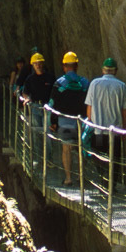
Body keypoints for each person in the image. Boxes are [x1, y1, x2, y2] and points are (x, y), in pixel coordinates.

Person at [85, 56, 126, 191]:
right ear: (115, 70)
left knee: (98, 157)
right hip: (114, 132)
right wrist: (124, 129)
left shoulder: (94, 84)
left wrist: (91, 123)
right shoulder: (122, 86)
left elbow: (89, 108)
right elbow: (125, 111)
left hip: (98, 130)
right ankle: (111, 186)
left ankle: (102, 179)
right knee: (114, 160)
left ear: (103, 70)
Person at [49, 51, 88, 186]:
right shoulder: (84, 82)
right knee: (80, 149)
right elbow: (88, 103)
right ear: (76, 66)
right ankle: (80, 177)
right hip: (81, 121)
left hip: (64, 121)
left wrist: (53, 122)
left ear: (64, 66)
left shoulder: (59, 83)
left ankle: (68, 178)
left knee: (66, 149)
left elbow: (52, 104)